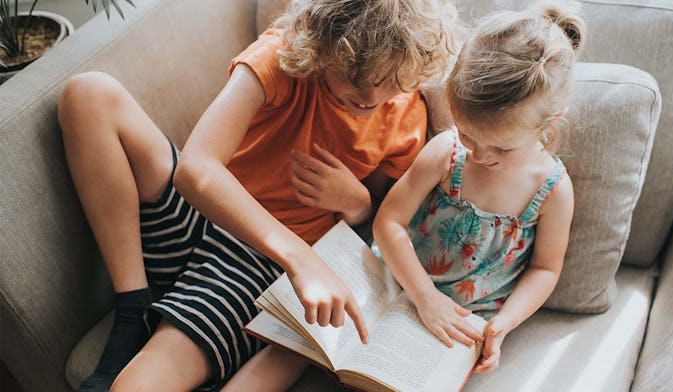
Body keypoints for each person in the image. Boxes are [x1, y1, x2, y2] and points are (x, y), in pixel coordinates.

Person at [57, 0, 456, 390]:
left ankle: (152, 318)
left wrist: (356, 203)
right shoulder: (283, 55)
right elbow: (195, 169)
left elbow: (381, 219)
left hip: (252, 264)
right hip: (211, 213)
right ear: (326, 44)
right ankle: (132, 307)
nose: (371, 97)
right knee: (88, 93)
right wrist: (300, 258)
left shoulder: (407, 115)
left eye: (389, 82)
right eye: (354, 76)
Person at [372, 5, 585, 374]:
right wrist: (424, 297)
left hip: (465, 323)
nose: (479, 153)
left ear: (551, 124)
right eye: (468, 133)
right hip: (397, 283)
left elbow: (545, 269)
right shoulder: (446, 153)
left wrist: (503, 325)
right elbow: (388, 222)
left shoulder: (552, 191)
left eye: (501, 147)